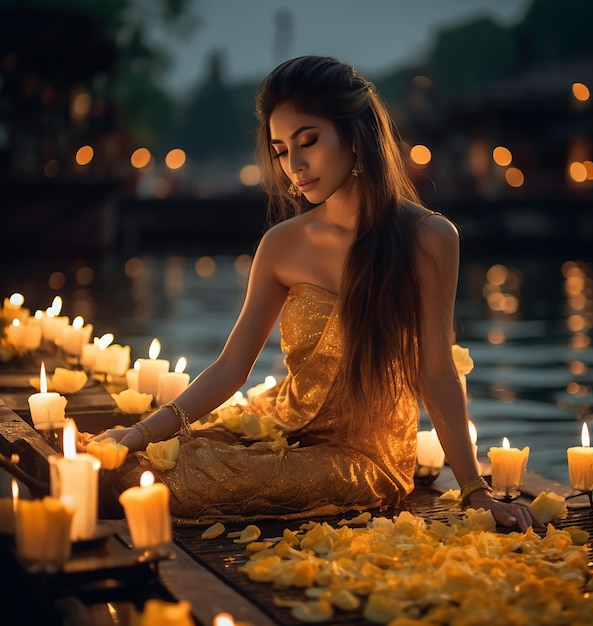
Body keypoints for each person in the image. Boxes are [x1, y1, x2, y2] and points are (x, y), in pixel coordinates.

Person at [92, 55, 538, 531]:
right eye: (282, 150)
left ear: (354, 135)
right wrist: (136, 434)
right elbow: (230, 367)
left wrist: (474, 490)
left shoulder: (429, 238)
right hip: (277, 423)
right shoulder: (282, 244)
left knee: (165, 484)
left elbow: (437, 371)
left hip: (360, 459)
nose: (294, 165)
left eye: (308, 142)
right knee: (123, 463)